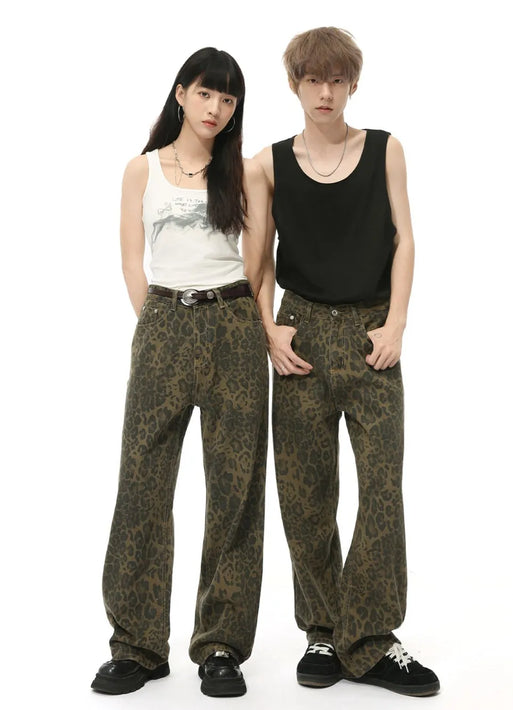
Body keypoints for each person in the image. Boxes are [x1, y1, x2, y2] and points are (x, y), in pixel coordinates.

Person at [247, 27, 440, 697]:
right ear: (295, 84)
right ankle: (324, 631)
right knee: (305, 494)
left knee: (382, 488)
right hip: (299, 333)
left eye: (336, 80)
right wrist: (269, 331)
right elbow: (257, 258)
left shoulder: (385, 149)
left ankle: (374, 637)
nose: (324, 92)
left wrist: (396, 322)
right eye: (312, 79)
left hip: (370, 334)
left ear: (352, 84)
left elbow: (405, 239)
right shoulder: (268, 163)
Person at [90, 47, 268, 698]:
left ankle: (220, 645)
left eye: (228, 98)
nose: (215, 108)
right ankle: (136, 645)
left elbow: (259, 263)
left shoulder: (245, 173)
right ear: (180, 94)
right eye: (205, 93)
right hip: (164, 322)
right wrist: (162, 323)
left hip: (233, 325)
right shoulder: (142, 169)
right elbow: (131, 260)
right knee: (141, 483)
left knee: (236, 490)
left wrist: (240, 323)